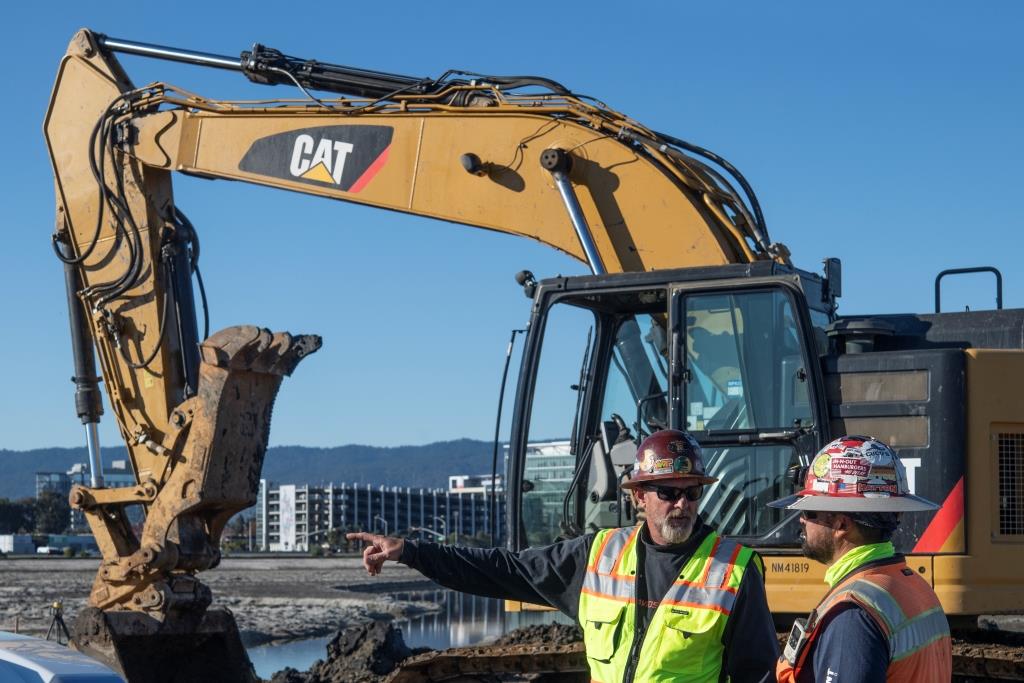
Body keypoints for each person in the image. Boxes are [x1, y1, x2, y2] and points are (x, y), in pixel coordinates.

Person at [348, 429, 779, 683]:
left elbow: (756, 676)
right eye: (668, 493)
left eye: (690, 493)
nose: (681, 504)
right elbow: (501, 570)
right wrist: (411, 552)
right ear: (639, 498)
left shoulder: (733, 572)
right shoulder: (598, 556)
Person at [767, 436, 952, 682]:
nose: (801, 520)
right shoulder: (915, 588)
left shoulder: (853, 613)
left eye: (809, 511)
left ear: (841, 524)